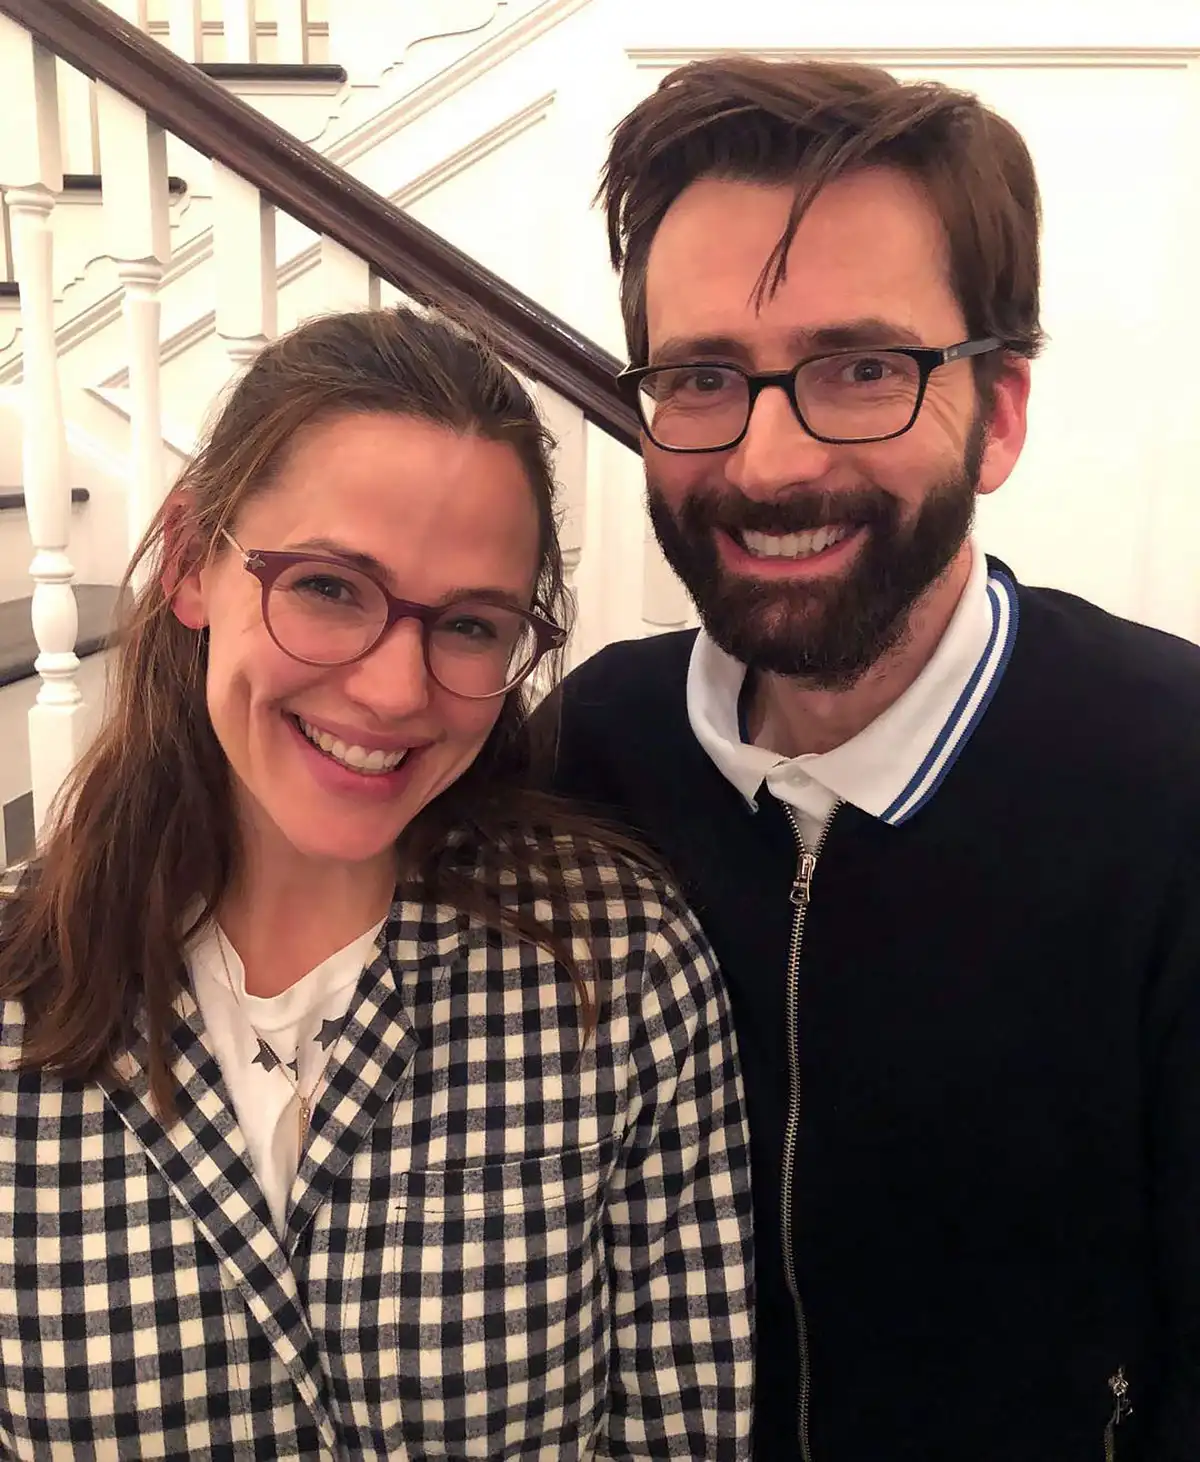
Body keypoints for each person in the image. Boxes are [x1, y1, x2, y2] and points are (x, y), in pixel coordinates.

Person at [544, 55, 1200, 1462]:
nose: (770, 462)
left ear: (1000, 412)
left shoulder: (1177, 782)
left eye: (861, 370)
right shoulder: (586, 755)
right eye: (703, 376)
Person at [0, 307, 754, 1459]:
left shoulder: (614, 966)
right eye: (328, 587)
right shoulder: (22, 994)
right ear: (194, 560)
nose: (397, 691)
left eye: (470, 624)